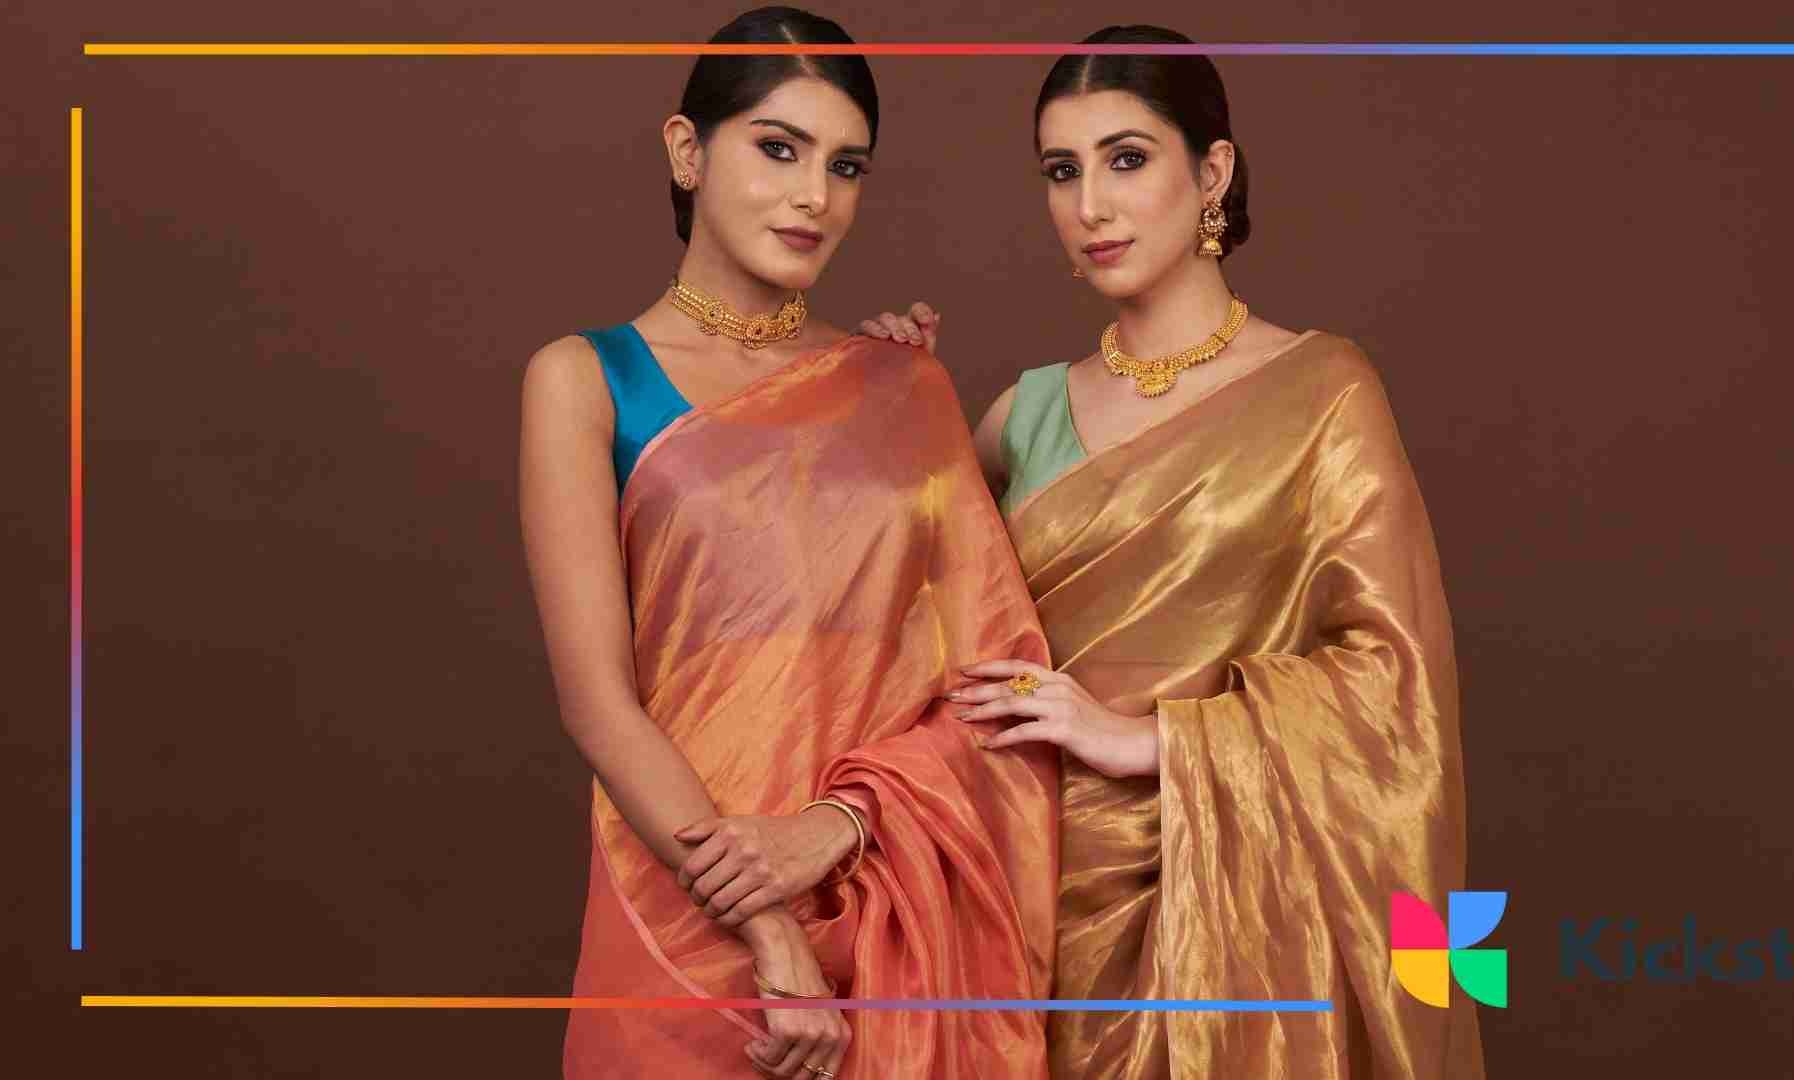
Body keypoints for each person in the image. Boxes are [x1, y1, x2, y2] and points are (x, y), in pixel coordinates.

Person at [861, 25, 1485, 1079]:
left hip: (1233, 902)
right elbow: (901, 632)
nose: (1089, 205)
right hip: (1025, 903)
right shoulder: (1025, 413)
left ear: (1213, 172)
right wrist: (882, 414)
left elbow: (1394, 682)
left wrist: (1152, 742)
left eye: (1127, 158)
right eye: (1062, 171)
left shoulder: (1324, 391)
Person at [519, 9, 1059, 1078]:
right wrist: (768, 934)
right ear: (687, 150)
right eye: (778, 147)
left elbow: (994, 679)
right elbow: (598, 701)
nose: (815, 195)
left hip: (889, 918)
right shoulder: (583, 381)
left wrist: (844, 827)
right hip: (681, 926)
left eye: (845, 164)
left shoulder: (900, 386)